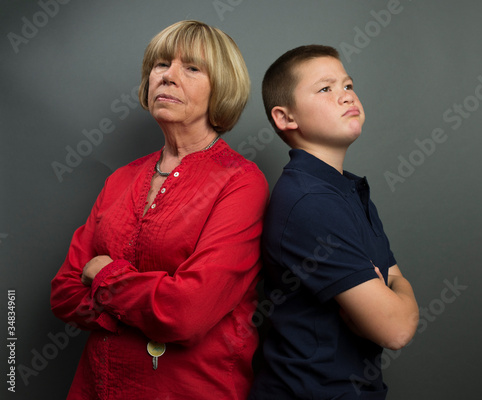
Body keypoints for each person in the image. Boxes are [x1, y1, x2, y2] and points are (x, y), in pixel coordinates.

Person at [50, 20, 268, 400]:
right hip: (95, 388)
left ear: (222, 88)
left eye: (191, 68)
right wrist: (141, 305)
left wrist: (106, 277)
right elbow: (63, 293)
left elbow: (186, 314)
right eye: (160, 64)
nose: (167, 77)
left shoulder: (241, 182)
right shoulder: (120, 178)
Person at [248, 45, 418, 399]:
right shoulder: (311, 202)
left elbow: (394, 280)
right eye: (326, 89)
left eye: (348, 85)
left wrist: (391, 286)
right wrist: (391, 289)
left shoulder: (345, 188)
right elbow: (396, 329)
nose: (345, 96)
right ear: (285, 117)